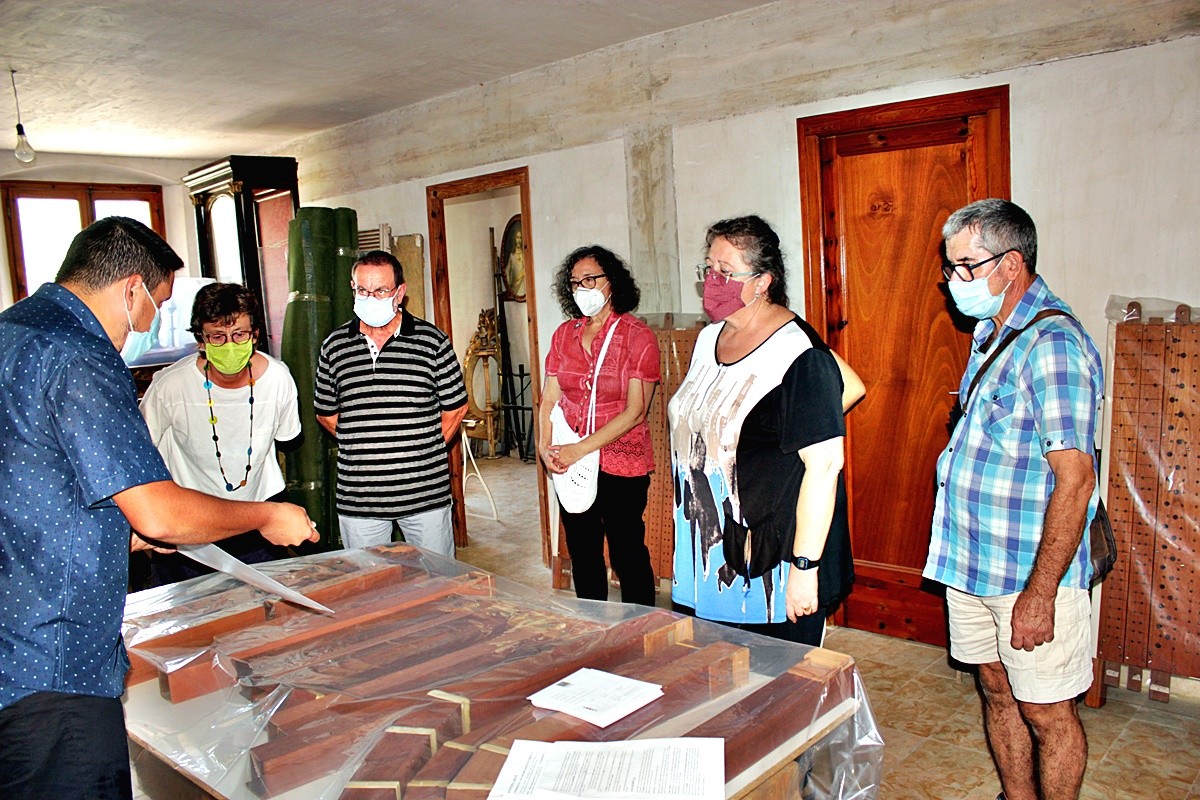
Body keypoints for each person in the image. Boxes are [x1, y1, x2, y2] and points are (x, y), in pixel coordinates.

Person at [0, 217, 319, 800]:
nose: (151, 322)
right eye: (159, 303)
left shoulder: (14, 333)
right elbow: (159, 512)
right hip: (53, 658)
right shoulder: (79, 354)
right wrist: (265, 516)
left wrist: (112, 536)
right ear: (130, 290)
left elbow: (33, 487)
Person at [925, 199, 1103, 800]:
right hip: (972, 561)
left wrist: (1041, 593)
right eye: (951, 267)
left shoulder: (1053, 343)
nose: (955, 282)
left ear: (1011, 264)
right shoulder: (990, 332)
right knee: (995, 689)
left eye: (967, 266)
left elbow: (1075, 480)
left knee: (1048, 713)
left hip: (1027, 573)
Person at [669, 215, 862, 646]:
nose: (712, 281)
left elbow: (826, 463)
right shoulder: (708, 339)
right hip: (705, 545)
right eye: (708, 269)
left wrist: (805, 569)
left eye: (726, 272)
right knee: (712, 685)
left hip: (768, 557)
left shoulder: (797, 351)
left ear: (762, 282)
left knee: (771, 699)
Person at [140, 282, 305, 585]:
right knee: (185, 620)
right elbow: (137, 455)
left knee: (263, 617)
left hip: (255, 524)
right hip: (188, 530)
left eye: (239, 334)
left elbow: (287, 438)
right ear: (201, 340)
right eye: (217, 336)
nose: (229, 344)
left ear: (255, 335)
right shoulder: (170, 386)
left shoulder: (278, 379)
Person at [315, 250, 468, 557]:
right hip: (360, 499)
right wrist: (362, 444)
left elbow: (455, 408)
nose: (371, 298)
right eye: (362, 290)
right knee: (370, 590)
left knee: (438, 584)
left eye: (381, 290)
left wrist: (422, 450)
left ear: (400, 292)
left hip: (426, 496)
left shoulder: (432, 342)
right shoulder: (334, 346)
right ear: (353, 288)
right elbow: (326, 412)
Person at [538, 246, 661, 605]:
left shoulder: (638, 336)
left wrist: (580, 449)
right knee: (583, 551)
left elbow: (636, 411)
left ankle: (641, 631)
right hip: (571, 460)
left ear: (612, 282)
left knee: (626, 552)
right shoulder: (564, 335)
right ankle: (592, 632)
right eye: (575, 282)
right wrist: (546, 448)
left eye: (590, 279)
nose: (581, 288)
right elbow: (549, 399)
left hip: (621, 460)